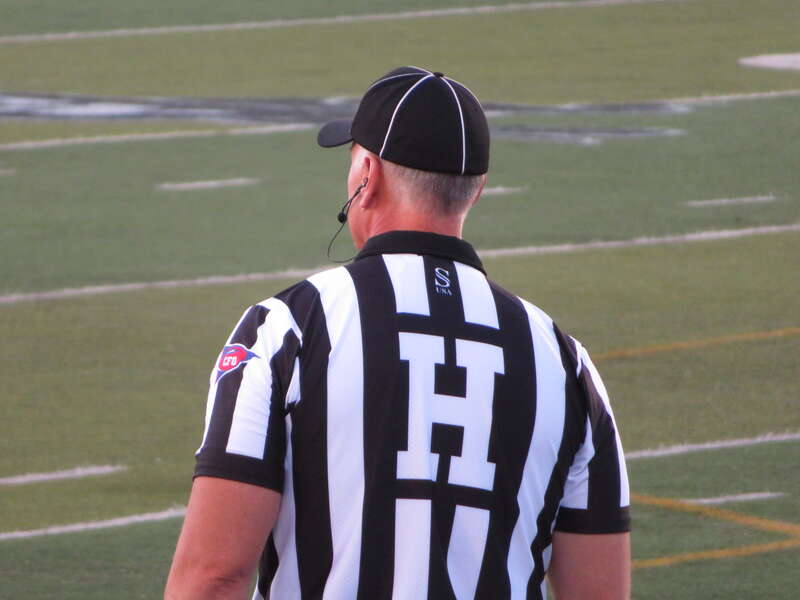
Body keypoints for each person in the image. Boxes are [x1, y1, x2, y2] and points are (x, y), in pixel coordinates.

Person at [165, 66, 631, 600]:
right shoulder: (564, 361)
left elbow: (213, 574)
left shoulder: (287, 329)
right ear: (476, 191)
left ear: (368, 173)